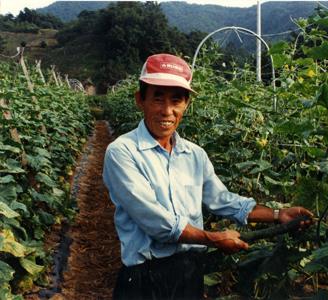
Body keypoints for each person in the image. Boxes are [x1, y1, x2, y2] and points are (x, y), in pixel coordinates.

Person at [103, 53, 313, 300]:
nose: (167, 111)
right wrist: (213, 239)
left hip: (189, 271)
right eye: (157, 98)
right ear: (141, 100)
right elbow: (157, 222)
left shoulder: (194, 154)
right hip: (143, 277)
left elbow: (222, 200)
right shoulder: (122, 152)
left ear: (186, 105)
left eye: (176, 100)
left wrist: (278, 215)